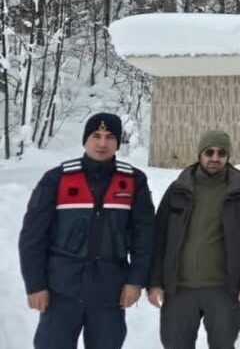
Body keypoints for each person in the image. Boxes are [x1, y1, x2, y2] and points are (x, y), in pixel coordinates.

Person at [18, 112, 154, 349]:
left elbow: (145, 236)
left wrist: (135, 281)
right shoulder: (57, 179)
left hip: (109, 295)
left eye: (110, 136)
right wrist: (35, 284)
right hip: (61, 291)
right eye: (96, 135)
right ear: (85, 140)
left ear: (118, 142)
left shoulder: (133, 181)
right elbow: (32, 237)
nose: (102, 143)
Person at [148, 130, 240, 349]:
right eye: (209, 152)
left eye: (221, 153)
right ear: (200, 154)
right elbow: (159, 236)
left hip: (223, 289)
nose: (215, 158)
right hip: (180, 288)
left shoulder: (239, 191)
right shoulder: (178, 189)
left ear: (228, 157)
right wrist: (155, 281)